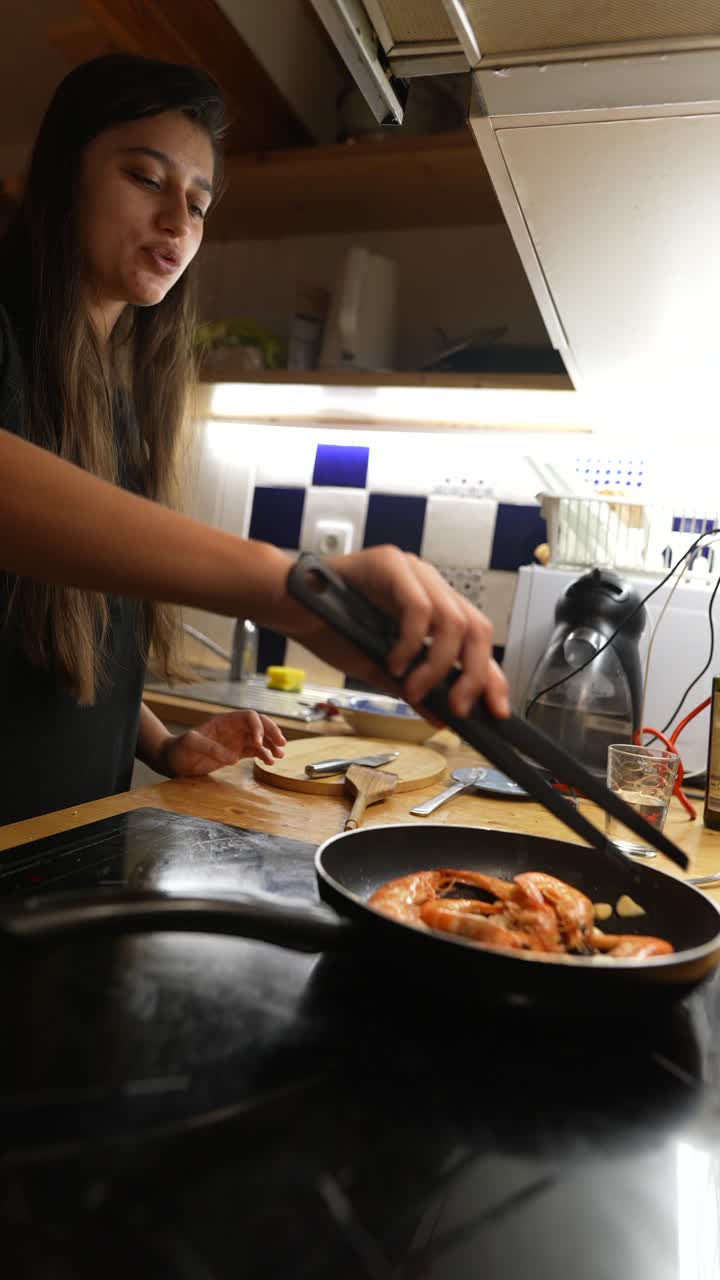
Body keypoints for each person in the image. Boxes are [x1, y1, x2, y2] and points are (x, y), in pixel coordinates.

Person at [0, 54, 509, 827]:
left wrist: (165, 745)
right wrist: (294, 586)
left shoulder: (118, 400)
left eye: (199, 203)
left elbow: (64, 630)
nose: (178, 221)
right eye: (145, 178)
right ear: (65, 174)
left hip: (58, 857)